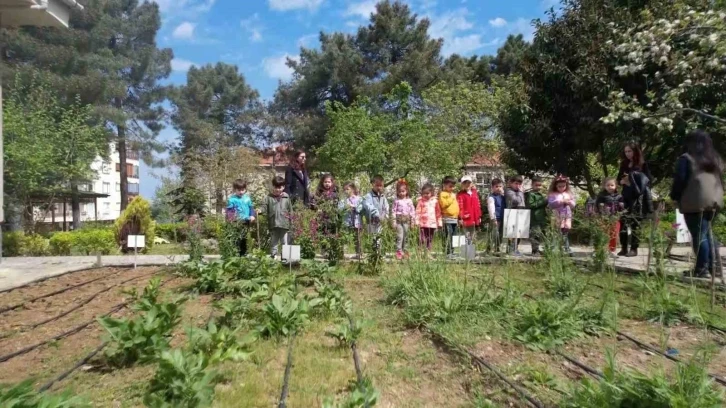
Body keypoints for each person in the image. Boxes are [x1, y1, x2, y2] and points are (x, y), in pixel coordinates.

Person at [670, 130, 724, 279]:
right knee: (708, 234)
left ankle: (702, 269)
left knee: (699, 235)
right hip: (714, 201)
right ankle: (715, 268)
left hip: (695, 201)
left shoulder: (686, 158)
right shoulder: (715, 159)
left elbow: (680, 180)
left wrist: (674, 196)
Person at [617, 142, 653, 257]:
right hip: (625, 196)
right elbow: (618, 179)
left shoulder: (642, 164)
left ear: (635, 151)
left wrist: (633, 180)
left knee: (635, 224)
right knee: (623, 222)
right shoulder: (624, 164)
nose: (627, 154)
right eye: (626, 151)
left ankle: (634, 248)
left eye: (630, 151)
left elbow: (648, 180)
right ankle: (623, 247)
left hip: (637, 198)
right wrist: (622, 181)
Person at [264, 176, 293, 260]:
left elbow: (290, 209)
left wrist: (292, 220)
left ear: (283, 187)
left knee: (284, 241)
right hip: (273, 223)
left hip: (284, 223)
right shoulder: (269, 197)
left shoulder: (286, 197)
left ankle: (285, 257)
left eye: (279, 187)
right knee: (274, 241)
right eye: (276, 187)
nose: (277, 189)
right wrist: (260, 210)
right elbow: (264, 206)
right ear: (273, 186)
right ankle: (274, 255)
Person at [225, 179, 255, 257]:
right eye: (239, 190)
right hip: (236, 221)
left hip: (246, 220)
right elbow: (229, 211)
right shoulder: (232, 199)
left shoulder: (247, 198)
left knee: (244, 238)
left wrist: (252, 215)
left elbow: (251, 208)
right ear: (235, 189)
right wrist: (230, 219)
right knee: (236, 238)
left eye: (243, 190)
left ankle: (243, 254)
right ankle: (236, 253)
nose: (241, 192)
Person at [595, 177, 625, 255]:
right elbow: (597, 206)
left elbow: (622, 207)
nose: (610, 187)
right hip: (605, 217)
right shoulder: (601, 195)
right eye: (608, 185)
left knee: (614, 234)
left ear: (616, 186)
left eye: (612, 185)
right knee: (604, 233)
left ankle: (612, 250)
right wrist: (601, 211)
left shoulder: (619, 196)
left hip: (615, 217)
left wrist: (622, 207)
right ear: (604, 186)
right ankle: (602, 249)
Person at [548, 175, 576, 253]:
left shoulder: (569, 194)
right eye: (559, 186)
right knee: (557, 231)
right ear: (555, 186)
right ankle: (554, 247)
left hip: (567, 215)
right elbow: (551, 204)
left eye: (563, 186)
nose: (562, 188)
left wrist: (569, 202)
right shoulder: (553, 194)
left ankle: (566, 248)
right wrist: (561, 201)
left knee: (565, 232)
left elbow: (573, 205)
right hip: (557, 214)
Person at [362, 175, 390, 253]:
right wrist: (378, 215)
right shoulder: (368, 196)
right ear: (372, 185)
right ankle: (373, 253)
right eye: (377, 185)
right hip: (371, 221)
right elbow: (369, 207)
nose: (379, 187)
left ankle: (378, 253)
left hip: (380, 221)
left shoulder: (383, 196)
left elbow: (386, 206)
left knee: (379, 237)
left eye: (381, 185)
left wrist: (386, 216)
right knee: (372, 237)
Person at [415, 183, 441, 258]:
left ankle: (428, 253)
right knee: (421, 238)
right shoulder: (421, 202)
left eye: (427, 193)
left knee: (429, 239)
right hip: (422, 224)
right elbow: (417, 212)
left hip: (432, 224)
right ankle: (419, 253)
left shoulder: (435, 202)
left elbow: (438, 212)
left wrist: (439, 222)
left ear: (432, 193)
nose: (426, 195)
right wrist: (417, 221)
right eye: (424, 193)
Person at [392, 180, 415, 260]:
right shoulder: (396, 201)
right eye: (399, 191)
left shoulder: (409, 201)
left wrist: (412, 222)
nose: (401, 193)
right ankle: (399, 251)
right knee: (400, 237)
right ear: (397, 192)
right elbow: (393, 211)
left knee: (406, 237)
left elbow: (412, 211)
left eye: (403, 191)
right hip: (398, 222)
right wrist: (393, 222)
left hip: (406, 222)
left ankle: (405, 251)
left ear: (406, 191)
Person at [525, 176, 548, 256]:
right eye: (536, 185)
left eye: (540, 185)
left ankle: (539, 250)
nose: (538, 187)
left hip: (541, 217)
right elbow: (531, 205)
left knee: (542, 234)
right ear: (532, 185)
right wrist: (543, 202)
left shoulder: (540, 194)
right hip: (534, 218)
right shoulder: (531, 194)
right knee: (535, 235)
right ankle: (535, 251)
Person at [339, 182, 363, 258]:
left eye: (348, 189)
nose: (346, 191)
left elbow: (361, 208)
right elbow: (339, 209)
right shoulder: (343, 200)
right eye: (344, 190)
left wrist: (353, 207)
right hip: (347, 222)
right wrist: (346, 208)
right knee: (345, 237)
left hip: (357, 222)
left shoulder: (359, 199)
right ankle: (344, 253)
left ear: (352, 189)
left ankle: (359, 253)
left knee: (357, 238)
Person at [457, 175, 482, 245]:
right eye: (465, 183)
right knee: (465, 234)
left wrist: (479, 216)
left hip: (474, 217)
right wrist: (460, 218)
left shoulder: (474, 193)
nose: (467, 185)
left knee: (473, 234)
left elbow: (478, 205)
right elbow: (459, 207)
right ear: (462, 184)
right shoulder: (460, 194)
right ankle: (466, 250)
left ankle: (471, 250)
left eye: (469, 183)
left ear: (471, 184)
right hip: (466, 218)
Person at [439, 176, 460, 258]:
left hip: (454, 219)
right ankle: (447, 252)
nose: (452, 188)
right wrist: (451, 198)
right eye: (450, 186)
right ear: (444, 185)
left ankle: (452, 251)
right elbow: (443, 205)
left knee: (454, 235)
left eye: (453, 186)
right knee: (448, 235)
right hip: (447, 219)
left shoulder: (452, 194)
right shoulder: (442, 194)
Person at [505, 175, 525, 255]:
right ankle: (511, 248)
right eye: (516, 183)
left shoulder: (519, 192)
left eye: (519, 184)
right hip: (512, 212)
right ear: (510, 183)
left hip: (520, 212)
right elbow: (516, 201)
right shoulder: (509, 191)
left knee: (519, 232)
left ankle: (515, 248)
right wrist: (520, 192)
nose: (518, 186)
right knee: (512, 232)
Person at [486, 178, 506, 253]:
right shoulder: (491, 197)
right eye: (496, 186)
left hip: (502, 217)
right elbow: (491, 208)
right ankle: (489, 248)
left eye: (500, 186)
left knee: (500, 234)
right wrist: (493, 218)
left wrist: (503, 193)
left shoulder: (503, 196)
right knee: (493, 234)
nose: (498, 188)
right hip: (496, 218)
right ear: (492, 188)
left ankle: (497, 248)